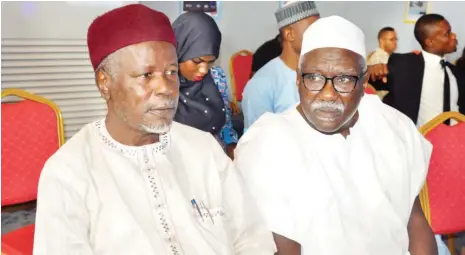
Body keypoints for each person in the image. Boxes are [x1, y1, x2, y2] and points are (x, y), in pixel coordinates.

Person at [33, 4, 276, 255]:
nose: (165, 88)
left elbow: (251, 237)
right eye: (146, 75)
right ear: (104, 83)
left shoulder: (204, 149)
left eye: (171, 72)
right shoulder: (69, 172)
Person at [235, 16, 437, 255]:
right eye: (314, 78)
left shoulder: (392, 126)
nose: (328, 94)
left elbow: (414, 223)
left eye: (344, 79)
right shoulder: (268, 144)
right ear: (298, 80)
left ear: (364, 84)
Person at [369, 14, 464, 127]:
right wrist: (369, 71)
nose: (453, 36)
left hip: (454, 140)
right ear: (430, 42)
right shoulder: (403, 64)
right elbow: (370, 83)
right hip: (417, 139)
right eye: (447, 33)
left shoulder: (457, 72)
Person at [241, 1, 320, 130]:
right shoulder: (262, 84)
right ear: (289, 34)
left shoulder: (324, 75)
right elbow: (257, 140)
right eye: (313, 30)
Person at [172, 12, 238, 159]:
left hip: (216, 161)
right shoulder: (163, 83)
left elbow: (226, 125)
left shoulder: (216, 76)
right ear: (180, 49)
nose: (204, 70)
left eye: (211, 62)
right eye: (197, 61)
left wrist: (231, 147)